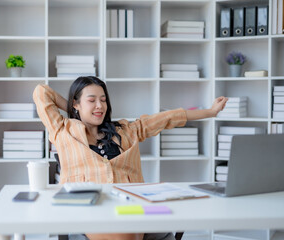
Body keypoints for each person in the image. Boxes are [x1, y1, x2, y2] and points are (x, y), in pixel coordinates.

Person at [33, 76, 228, 240]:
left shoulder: (126, 131)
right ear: (76, 103)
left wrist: (210, 112)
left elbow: (168, 118)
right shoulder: (62, 130)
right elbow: (41, 91)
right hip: (87, 209)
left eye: (103, 99)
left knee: (159, 219)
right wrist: (71, 108)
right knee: (124, 234)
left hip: (128, 207)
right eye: (91, 100)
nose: (100, 106)